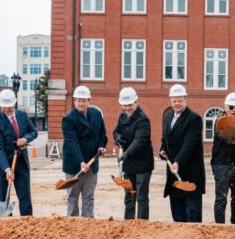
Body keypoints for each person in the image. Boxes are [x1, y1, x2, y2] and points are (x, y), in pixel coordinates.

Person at [159, 84, 205, 222]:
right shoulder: (167, 117)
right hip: (174, 172)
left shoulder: (194, 119)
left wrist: (178, 161)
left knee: (192, 212)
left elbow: (189, 144)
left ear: (186, 100)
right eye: (174, 101)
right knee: (177, 213)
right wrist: (163, 150)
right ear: (170, 101)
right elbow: (165, 138)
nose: (177, 103)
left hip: (191, 172)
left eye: (179, 100)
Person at [61, 85, 107, 218]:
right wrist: (81, 161)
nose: (81, 103)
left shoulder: (97, 115)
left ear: (89, 101)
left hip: (91, 164)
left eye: (84, 100)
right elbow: (72, 143)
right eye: (78, 100)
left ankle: (88, 225)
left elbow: (102, 135)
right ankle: (73, 225)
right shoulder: (68, 119)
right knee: (73, 197)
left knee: (89, 197)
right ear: (74, 101)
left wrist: (101, 146)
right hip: (74, 165)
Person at [0, 88, 37, 217]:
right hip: (2, 166)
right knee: (3, 200)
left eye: (9, 107)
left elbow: (34, 132)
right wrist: (7, 169)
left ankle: (27, 223)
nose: (6, 110)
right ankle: (6, 227)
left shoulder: (22, 115)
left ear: (14, 104)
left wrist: (25, 139)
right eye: (4, 107)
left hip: (21, 162)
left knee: (25, 198)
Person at [210, 92, 235, 224]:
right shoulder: (220, 121)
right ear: (225, 106)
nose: (233, 111)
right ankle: (220, 228)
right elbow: (226, 137)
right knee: (221, 198)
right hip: (221, 164)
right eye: (231, 107)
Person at [113, 87, 153, 220]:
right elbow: (116, 131)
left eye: (130, 105)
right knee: (129, 196)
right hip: (128, 164)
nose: (127, 108)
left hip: (142, 164)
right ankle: (128, 224)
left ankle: (142, 225)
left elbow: (139, 140)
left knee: (141, 197)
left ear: (136, 102)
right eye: (124, 105)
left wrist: (126, 154)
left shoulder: (143, 119)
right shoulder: (122, 116)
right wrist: (118, 138)